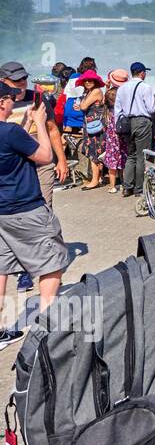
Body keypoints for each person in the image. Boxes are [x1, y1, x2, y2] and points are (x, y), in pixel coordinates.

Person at [0, 84, 69, 344]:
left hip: (1, 212)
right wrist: (40, 123)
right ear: (2, 103)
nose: (12, 102)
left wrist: (27, 120)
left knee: (1, 267)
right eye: (8, 98)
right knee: (52, 263)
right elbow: (44, 155)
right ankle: (46, 330)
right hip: (25, 208)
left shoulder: (12, 133)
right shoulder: (10, 132)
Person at [1, 61, 69, 209]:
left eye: (24, 78)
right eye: (16, 80)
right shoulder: (2, 103)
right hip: (14, 168)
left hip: (41, 163)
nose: (22, 82)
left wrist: (62, 160)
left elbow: (52, 129)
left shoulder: (36, 98)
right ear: (3, 81)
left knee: (44, 207)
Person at [114, 62, 155, 198]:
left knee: (131, 155)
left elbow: (117, 111)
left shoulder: (122, 88)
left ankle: (127, 187)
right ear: (142, 73)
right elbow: (151, 109)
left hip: (127, 123)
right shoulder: (145, 87)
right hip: (142, 122)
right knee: (142, 155)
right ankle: (139, 189)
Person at [73, 71, 109, 190]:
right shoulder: (89, 92)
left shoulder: (96, 91)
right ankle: (99, 178)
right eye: (86, 80)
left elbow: (83, 106)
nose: (87, 82)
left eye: (90, 80)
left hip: (95, 127)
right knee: (96, 152)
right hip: (91, 126)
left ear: (95, 81)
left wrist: (81, 105)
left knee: (94, 153)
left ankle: (94, 181)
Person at [102, 71, 129, 192]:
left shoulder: (107, 111)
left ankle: (112, 186)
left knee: (112, 163)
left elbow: (103, 101)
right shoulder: (122, 109)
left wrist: (106, 87)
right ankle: (124, 183)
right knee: (123, 160)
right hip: (122, 137)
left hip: (111, 141)